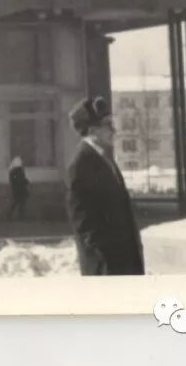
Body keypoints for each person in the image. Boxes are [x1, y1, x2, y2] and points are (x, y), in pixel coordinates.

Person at [66, 96, 145, 276]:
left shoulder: (104, 158)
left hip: (125, 264)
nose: (114, 130)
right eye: (108, 125)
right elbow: (85, 226)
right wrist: (106, 267)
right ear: (92, 130)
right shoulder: (80, 165)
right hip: (108, 269)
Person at [7, 156, 31, 220]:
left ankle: (17, 216)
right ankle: (12, 215)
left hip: (18, 189)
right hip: (19, 189)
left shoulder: (15, 172)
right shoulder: (16, 172)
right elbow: (19, 180)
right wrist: (25, 181)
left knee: (19, 203)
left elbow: (20, 179)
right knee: (18, 203)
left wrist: (26, 181)